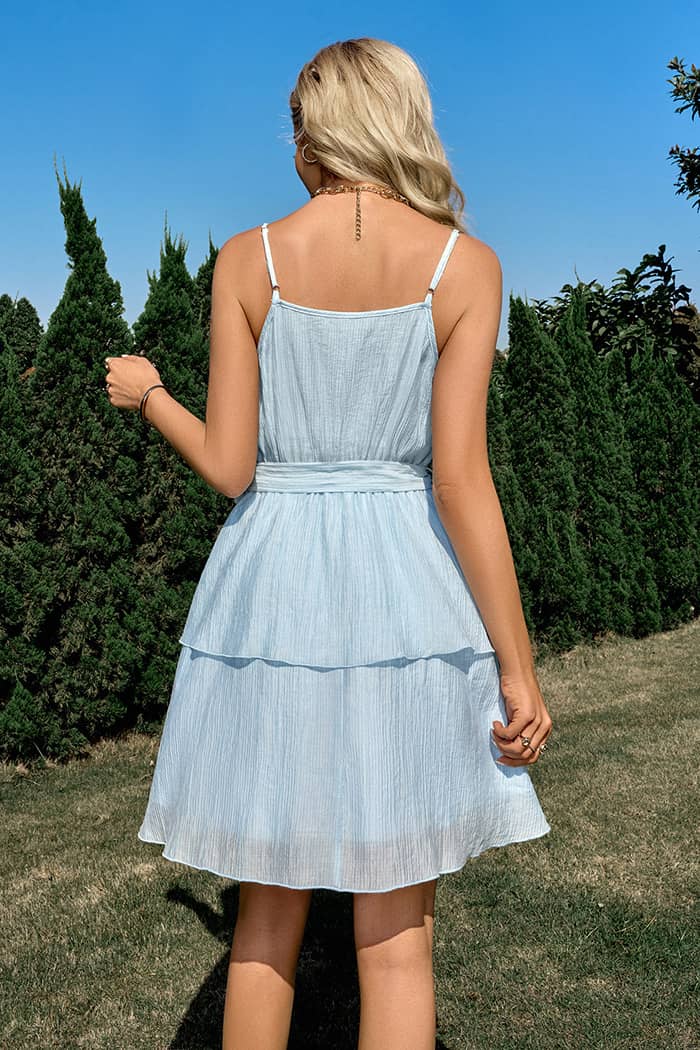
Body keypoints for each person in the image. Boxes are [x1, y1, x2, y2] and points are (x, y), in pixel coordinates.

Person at [105, 36, 553, 1050]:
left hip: (272, 595)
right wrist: (517, 668)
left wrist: (151, 395)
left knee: (264, 922)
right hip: (407, 593)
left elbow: (231, 467)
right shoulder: (465, 265)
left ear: (318, 133)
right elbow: (460, 481)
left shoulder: (248, 258)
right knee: (396, 941)